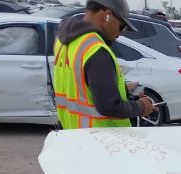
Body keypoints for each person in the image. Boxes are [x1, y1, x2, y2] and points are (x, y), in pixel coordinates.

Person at [53, 0, 156, 129]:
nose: (120, 34)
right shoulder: (95, 50)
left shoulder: (63, 41)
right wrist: (141, 107)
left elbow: (78, 87)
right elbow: (110, 106)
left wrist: (122, 89)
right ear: (107, 15)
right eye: (121, 26)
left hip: (72, 132)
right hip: (101, 136)